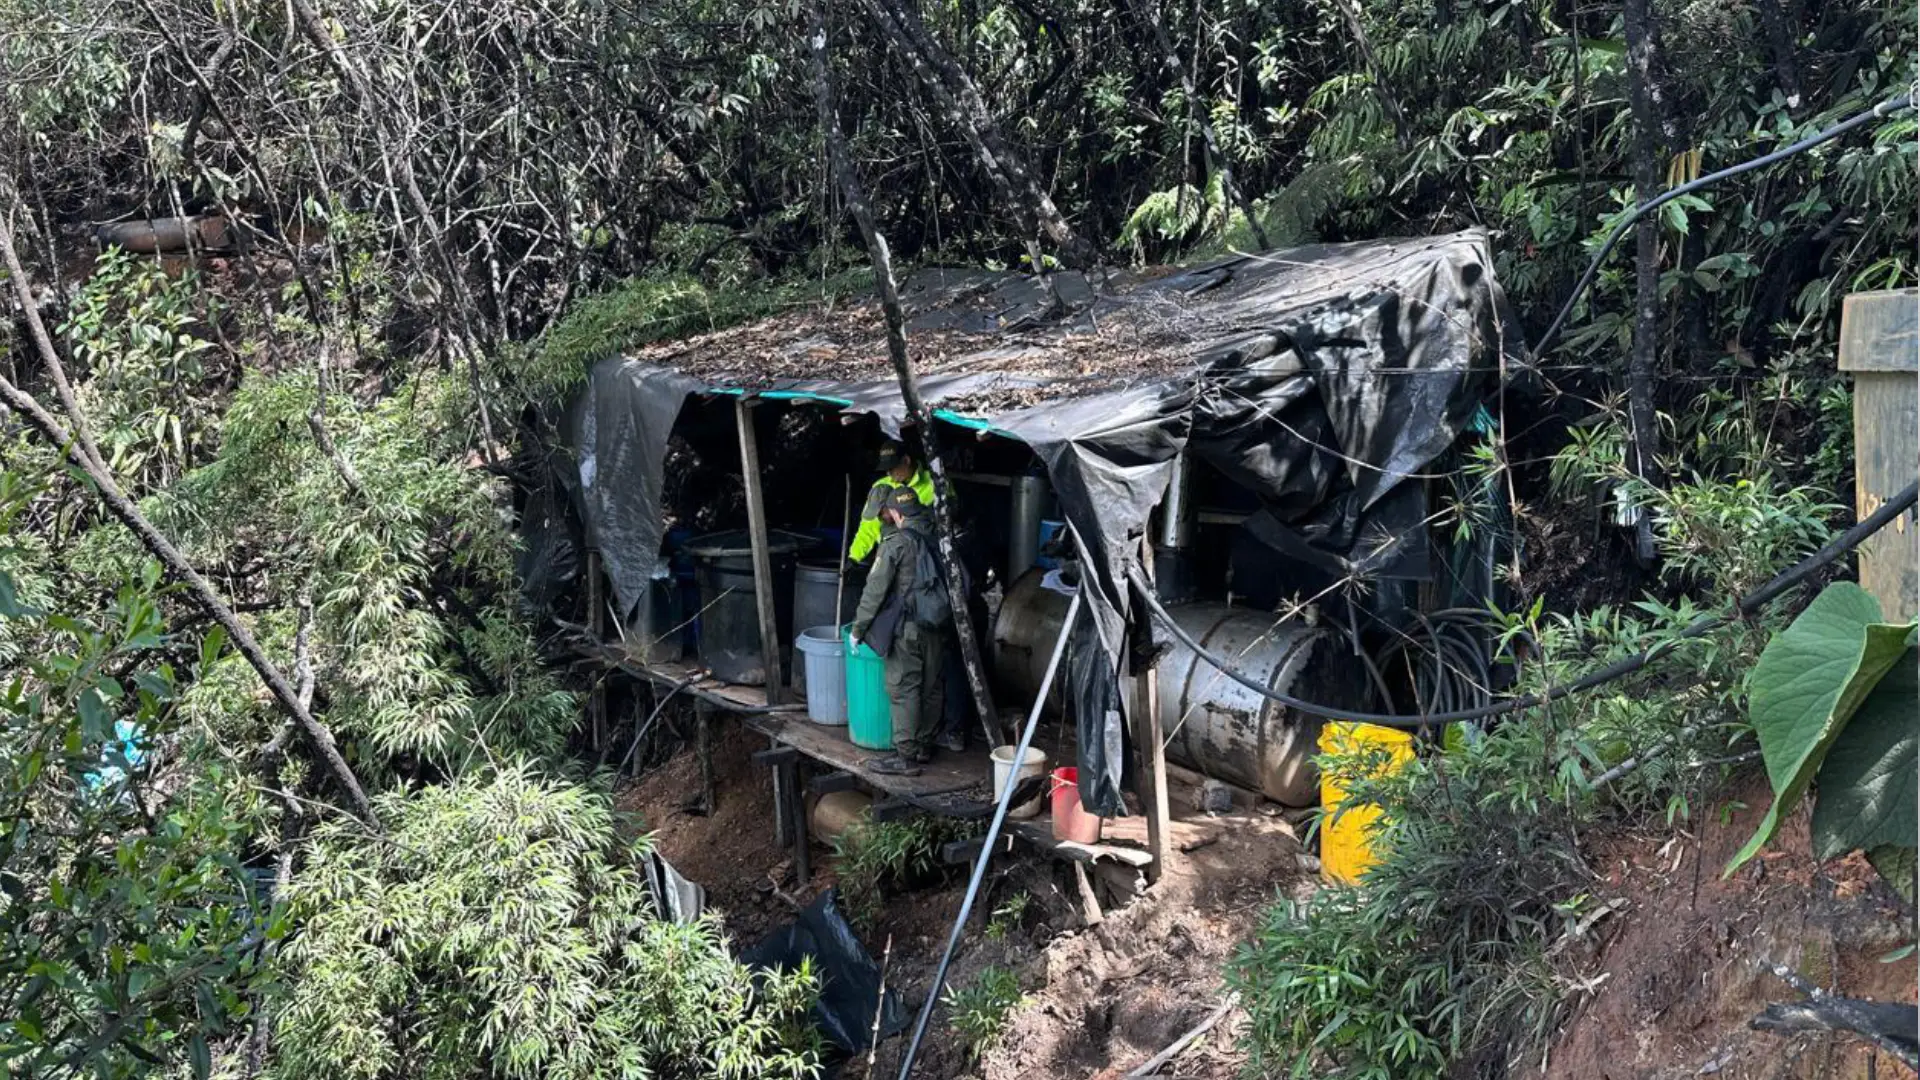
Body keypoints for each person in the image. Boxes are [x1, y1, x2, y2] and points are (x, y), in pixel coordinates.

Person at [848, 487, 949, 776]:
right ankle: (925, 746)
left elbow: (875, 591)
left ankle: (905, 756)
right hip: (938, 623)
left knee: (904, 688)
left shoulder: (897, 543)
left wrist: (858, 629)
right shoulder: (938, 533)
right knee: (932, 685)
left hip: (909, 628)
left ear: (895, 513)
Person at [848, 440, 934, 566]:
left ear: (906, 460)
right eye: (886, 469)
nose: (888, 473)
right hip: (889, 556)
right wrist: (854, 557)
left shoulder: (935, 484)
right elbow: (868, 527)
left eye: (892, 468)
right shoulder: (881, 486)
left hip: (925, 557)